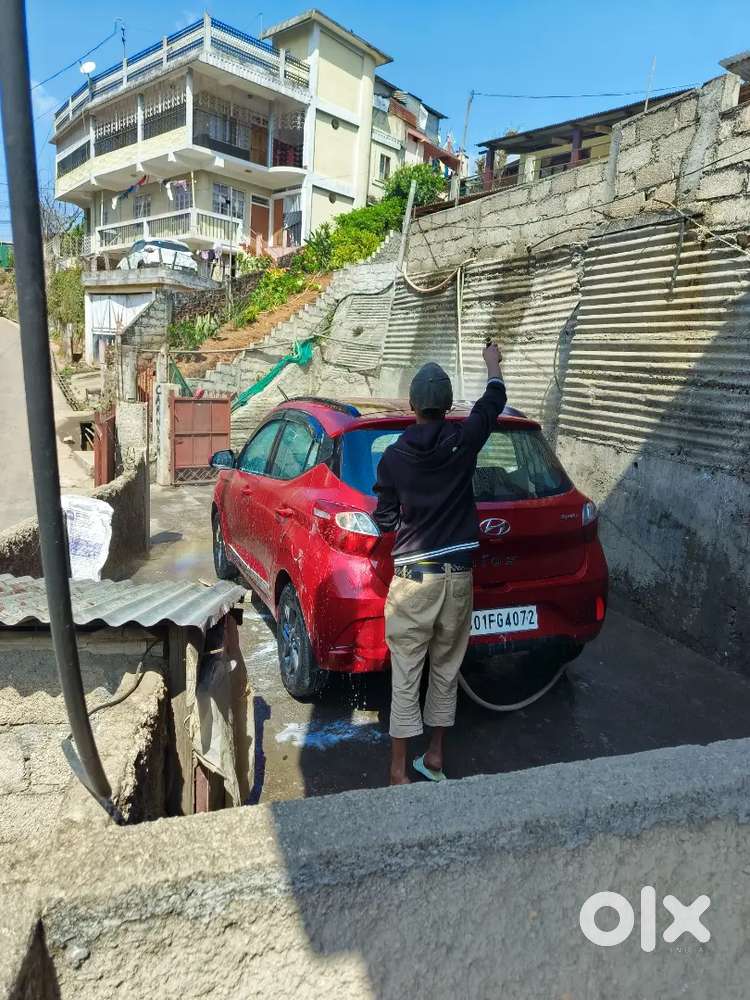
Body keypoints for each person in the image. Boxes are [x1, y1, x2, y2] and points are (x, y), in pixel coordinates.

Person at [373, 344, 506, 785]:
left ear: (413, 406)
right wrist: (492, 362)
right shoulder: (463, 441)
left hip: (413, 580)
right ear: (448, 406)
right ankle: (433, 757)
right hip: (458, 579)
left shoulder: (393, 458)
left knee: (406, 673)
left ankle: (398, 772)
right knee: (446, 670)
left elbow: (385, 519)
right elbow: (494, 400)